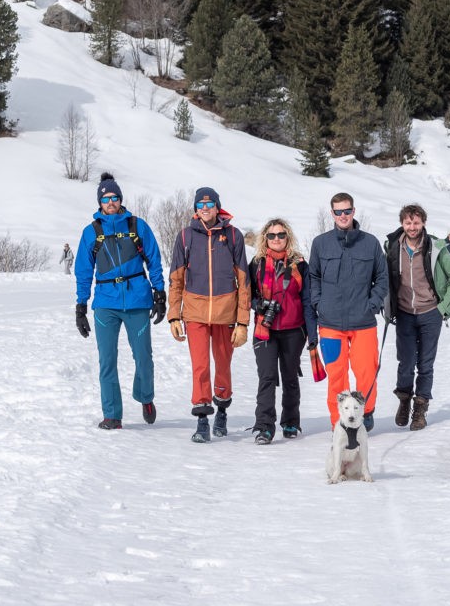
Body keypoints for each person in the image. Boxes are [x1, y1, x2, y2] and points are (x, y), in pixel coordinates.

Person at [74, 172, 166, 430]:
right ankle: (112, 415)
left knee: (144, 358)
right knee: (107, 361)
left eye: (115, 197)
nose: (111, 202)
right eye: (106, 198)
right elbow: (83, 272)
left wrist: (159, 293)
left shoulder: (137, 226)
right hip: (105, 304)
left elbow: (154, 260)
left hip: (137, 299)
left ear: (121, 199)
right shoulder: (91, 232)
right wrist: (81, 306)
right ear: (99, 202)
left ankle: (145, 397)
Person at [167, 187, 251, 443]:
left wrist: (243, 322)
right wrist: (174, 315)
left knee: (223, 365)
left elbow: (244, 281)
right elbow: (176, 279)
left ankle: (222, 407)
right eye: (201, 205)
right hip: (195, 312)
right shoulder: (185, 237)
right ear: (196, 209)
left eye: (210, 204)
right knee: (200, 366)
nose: (205, 209)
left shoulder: (233, 236)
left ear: (217, 207)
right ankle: (202, 418)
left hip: (226, 314)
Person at [308, 192, 388, 432]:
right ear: (332, 214)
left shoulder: (370, 242)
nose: (343, 216)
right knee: (337, 375)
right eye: (338, 212)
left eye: (347, 211)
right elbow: (314, 276)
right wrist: (319, 302)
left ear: (354, 211)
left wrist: (372, 304)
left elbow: (382, 277)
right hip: (330, 323)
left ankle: (367, 411)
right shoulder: (321, 243)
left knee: (366, 371)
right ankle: (338, 420)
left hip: (363, 321)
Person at [384, 204, 450, 431]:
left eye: (416, 223)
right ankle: (404, 400)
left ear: (423, 224)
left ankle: (420, 408)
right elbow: (383, 279)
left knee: (425, 364)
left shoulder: (436, 247)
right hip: (405, 314)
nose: (412, 227)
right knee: (406, 362)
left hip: (431, 313)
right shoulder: (391, 246)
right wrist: (387, 307)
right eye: (408, 223)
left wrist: (443, 309)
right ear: (402, 223)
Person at [248, 218, 318, 444]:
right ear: (265, 238)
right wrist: (258, 304)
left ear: (288, 236)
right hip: (264, 329)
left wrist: (311, 333)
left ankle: (290, 421)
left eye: (281, 235)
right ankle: (264, 427)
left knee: (289, 376)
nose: (276, 239)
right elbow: (248, 295)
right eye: (271, 235)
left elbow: (307, 300)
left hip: (293, 329)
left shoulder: (299, 264)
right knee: (267, 377)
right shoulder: (257, 263)